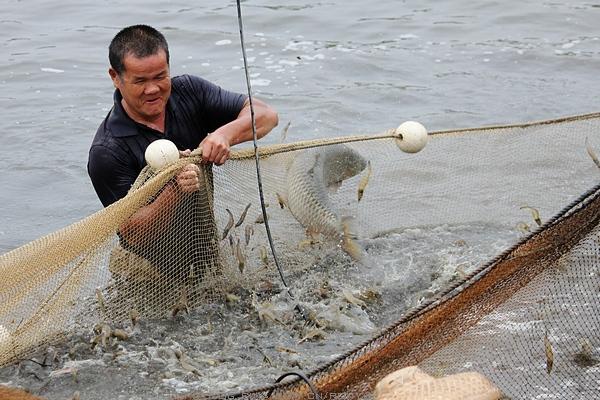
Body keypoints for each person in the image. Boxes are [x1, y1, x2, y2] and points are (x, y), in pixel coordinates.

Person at [87, 25, 278, 292]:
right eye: (140, 81)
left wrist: (224, 135)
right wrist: (175, 189)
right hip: (145, 271)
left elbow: (266, 115)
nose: (153, 89)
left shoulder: (189, 92)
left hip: (202, 247)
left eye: (160, 76)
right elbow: (133, 233)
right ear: (115, 77)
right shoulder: (107, 151)